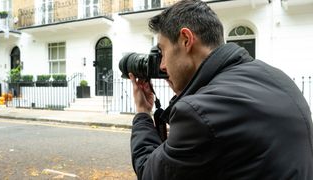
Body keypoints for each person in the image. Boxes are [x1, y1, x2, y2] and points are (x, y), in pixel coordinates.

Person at [129, 0, 313, 179]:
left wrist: (143, 113)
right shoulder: (277, 78)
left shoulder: (198, 112)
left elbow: (149, 173)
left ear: (186, 40)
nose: (161, 65)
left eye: (163, 51)